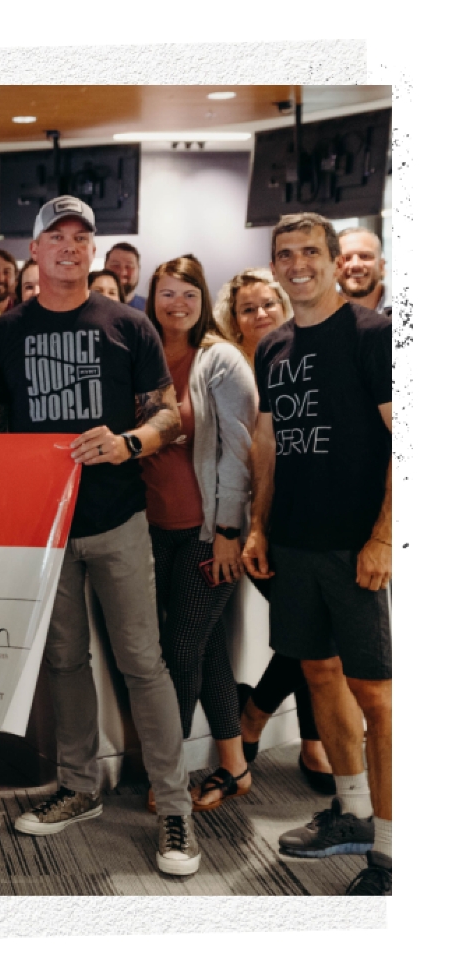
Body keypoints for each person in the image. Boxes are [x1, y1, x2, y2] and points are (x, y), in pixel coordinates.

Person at [0, 196, 200, 877]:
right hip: (45, 531)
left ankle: (174, 807)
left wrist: (130, 441)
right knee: (65, 662)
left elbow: (170, 416)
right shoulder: (5, 332)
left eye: (82, 237)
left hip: (117, 522)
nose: (70, 247)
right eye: (57, 237)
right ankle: (79, 788)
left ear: (93, 251)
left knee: (143, 662)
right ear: (36, 252)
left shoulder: (128, 325)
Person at [242, 212, 393, 895]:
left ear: (334, 259)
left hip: (355, 545)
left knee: (377, 698)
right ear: (274, 265)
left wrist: (384, 536)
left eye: (309, 251)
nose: (296, 262)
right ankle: (352, 813)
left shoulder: (375, 334)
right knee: (319, 674)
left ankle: (390, 853)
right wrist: (257, 527)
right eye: (284, 253)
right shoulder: (272, 347)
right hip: (294, 543)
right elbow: (269, 448)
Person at [139, 256, 257, 812]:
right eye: (167, 293)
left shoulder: (222, 360)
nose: (178, 304)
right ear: (152, 297)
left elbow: (238, 453)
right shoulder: (142, 354)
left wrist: (229, 531)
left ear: (202, 297)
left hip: (207, 533)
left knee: (179, 652)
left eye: (188, 293)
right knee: (204, 648)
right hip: (152, 531)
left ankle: (173, 776)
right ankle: (234, 766)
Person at [213, 268, 335, 791]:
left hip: (309, 516)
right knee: (308, 628)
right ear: (233, 321)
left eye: (269, 304)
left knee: (314, 626)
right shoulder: (229, 367)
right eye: (248, 308)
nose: (260, 314)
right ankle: (261, 718)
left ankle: (302, 736)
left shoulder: (304, 357)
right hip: (247, 521)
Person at [337, 227, 391, 316]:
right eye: (346, 258)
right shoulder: (317, 317)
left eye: (365, 256)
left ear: (381, 265)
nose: (355, 264)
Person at [105, 242, 145, 310]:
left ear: (139, 270)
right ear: (104, 267)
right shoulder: (88, 307)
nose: (122, 272)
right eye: (115, 265)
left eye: (129, 266)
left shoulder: (151, 310)